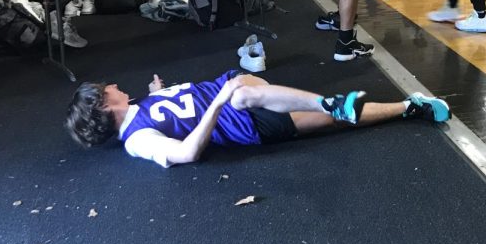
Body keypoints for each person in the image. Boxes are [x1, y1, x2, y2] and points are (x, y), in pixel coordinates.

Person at [65, 70, 451, 168]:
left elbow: (166, 112)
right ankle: (408, 107)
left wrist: (157, 91)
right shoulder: (135, 141)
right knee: (241, 95)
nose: (113, 84)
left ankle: (328, 103)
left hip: (234, 90)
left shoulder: (138, 109)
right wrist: (216, 105)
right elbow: (185, 153)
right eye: (106, 89)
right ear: (103, 106)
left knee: (243, 90)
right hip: (243, 122)